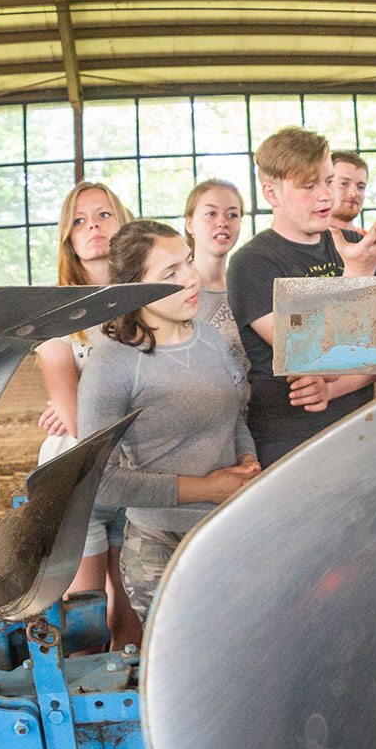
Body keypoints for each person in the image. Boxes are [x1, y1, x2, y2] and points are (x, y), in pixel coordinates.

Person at [77, 220, 259, 618]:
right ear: (135, 289)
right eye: (170, 274)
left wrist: (247, 461)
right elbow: (100, 481)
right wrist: (207, 487)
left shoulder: (210, 338)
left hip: (227, 531)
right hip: (160, 546)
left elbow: (234, 416)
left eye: (188, 263)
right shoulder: (113, 363)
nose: (191, 279)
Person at [228, 126, 376, 461]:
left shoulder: (353, 249)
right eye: (309, 186)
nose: (326, 196)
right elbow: (310, 351)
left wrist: (333, 387)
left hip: (362, 426)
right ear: (272, 194)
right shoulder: (252, 262)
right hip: (290, 441)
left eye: (329, 180)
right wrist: (357, 276)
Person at [34, 181, 134, 622]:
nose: (92, 225)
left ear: (124, 224)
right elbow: (74, 418)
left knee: (132, 612)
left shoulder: (150, 306)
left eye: (103, 214)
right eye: (79, 220)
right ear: (69, 240)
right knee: (84, 618)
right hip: (79, 475)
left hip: (141, 472)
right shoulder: (56, 314)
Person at [184, 178, 248, 363]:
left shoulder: (249, 286)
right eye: (211, 213)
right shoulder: (177, 290)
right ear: (190, 224)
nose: (222, 222)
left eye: (232, 215)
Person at [329, 151, 370, 229]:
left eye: (360, 187)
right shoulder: (306, 238)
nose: (354, 193)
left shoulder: (372, 240)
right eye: (344, 183)